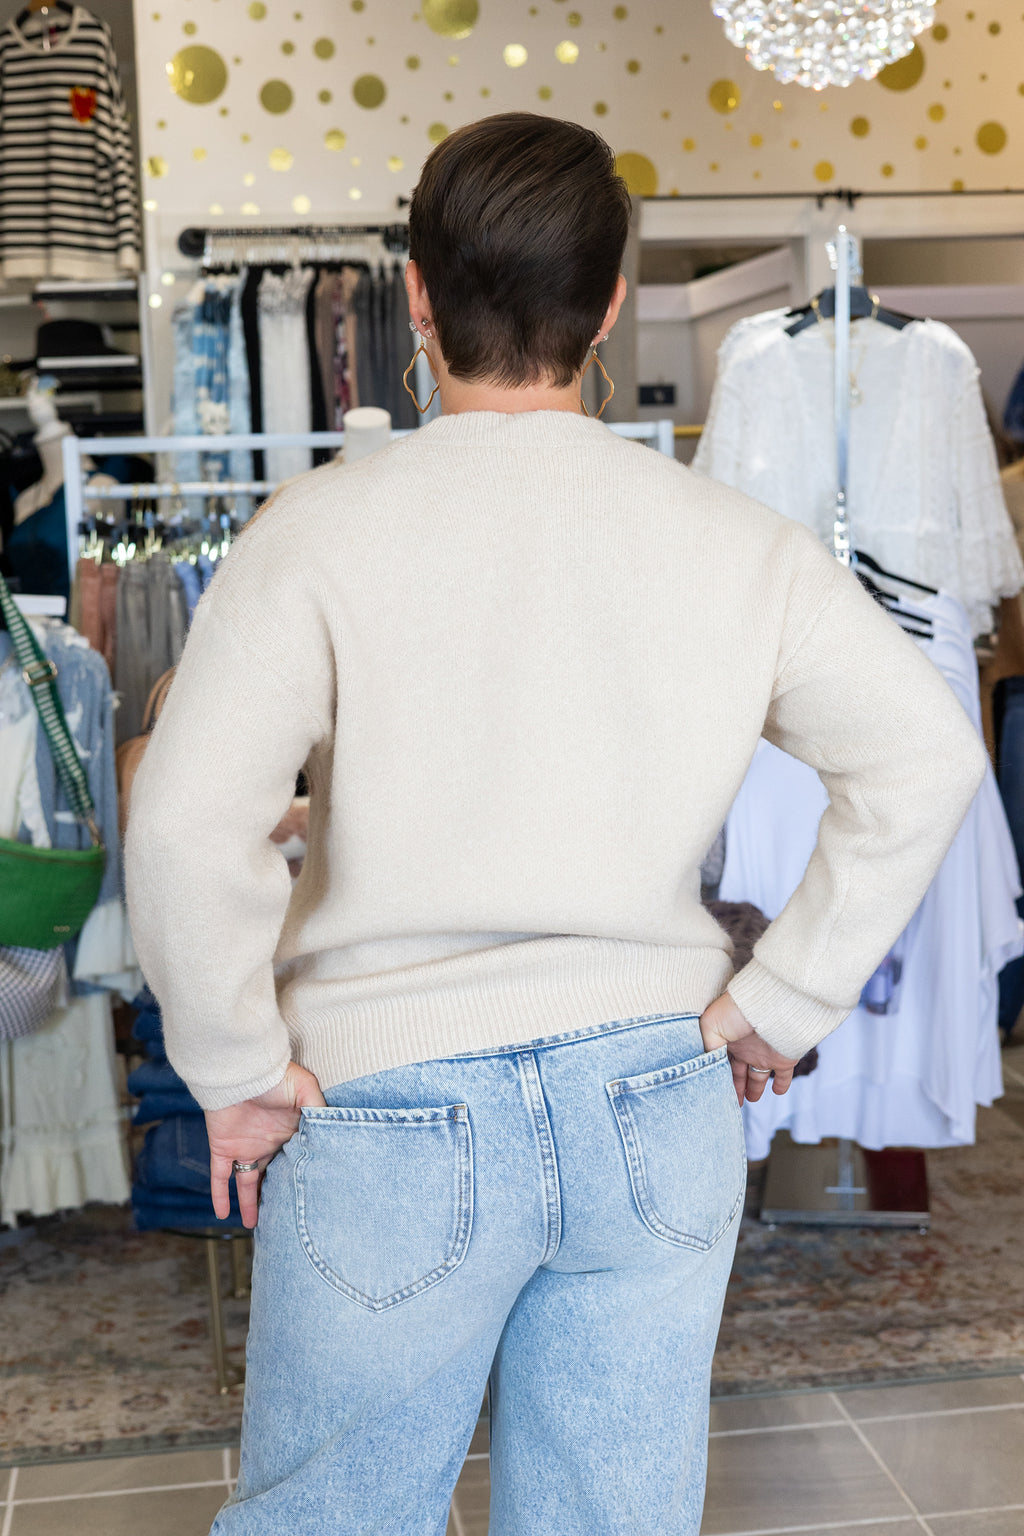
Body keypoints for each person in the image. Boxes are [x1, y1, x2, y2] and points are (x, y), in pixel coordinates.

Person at [125, 114, 986, 1536]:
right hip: (657, 1097)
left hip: (387, 1101)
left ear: (412, 296)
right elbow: (928, 757)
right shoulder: (732, 542)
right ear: (604, 309)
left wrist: (232, 1065)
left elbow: (181, 823)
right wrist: (782, 998)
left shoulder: (316, 531)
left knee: (334, 1518)